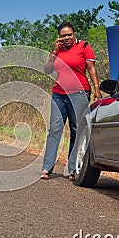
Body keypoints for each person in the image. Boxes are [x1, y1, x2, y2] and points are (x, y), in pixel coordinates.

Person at [40, 21, 102, 181]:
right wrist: (53, 52)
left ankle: (73, 168)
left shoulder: (84, 47)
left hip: (79, 94)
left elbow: (91, 69)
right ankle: (47, 167)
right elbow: (47, 70)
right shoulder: (57, 50)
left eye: (69, 35)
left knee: (76, 130)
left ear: (74, 34)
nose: (66, 38)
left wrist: (96, 89)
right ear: (59, 37)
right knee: (54, 130)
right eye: (63, 36)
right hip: (59, 94)